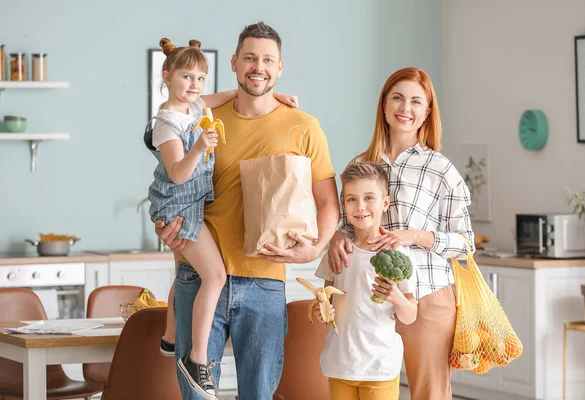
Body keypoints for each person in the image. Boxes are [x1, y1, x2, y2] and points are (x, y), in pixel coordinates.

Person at [155, 22, 340, 400]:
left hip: (266, 282)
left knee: (258, 394)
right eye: (251, 58)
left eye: (268, 59)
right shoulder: (200, 119)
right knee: (197, 396)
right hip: (199, 277)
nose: (259, 67)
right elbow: (175, 181)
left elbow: (328, 203)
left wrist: (316, 247)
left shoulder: (304, 126)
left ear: (280, 67)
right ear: (235, 63)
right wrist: (166, 226)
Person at [326, 67, 474, 400]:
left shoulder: (441, 169)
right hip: (367, 299)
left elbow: (466, 246)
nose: (405, 108)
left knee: (429, 393)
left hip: (427, 296)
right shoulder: (362, 163)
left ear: (426, 113)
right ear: (383, 105)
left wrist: (414, 236)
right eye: (397, 98)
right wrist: (339, 234)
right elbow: (349, 220)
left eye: (415, 102)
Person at [314, 162, 417, 400]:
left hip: (379, 367)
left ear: (385, 202)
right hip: (340, 364)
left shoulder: (398, 253)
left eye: (369, 198)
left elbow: (410, 315)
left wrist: (395, 296)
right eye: (351, 199)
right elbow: (321, 302)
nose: (360, 207)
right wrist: (319, 311)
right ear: (343, 205)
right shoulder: (337, 252)